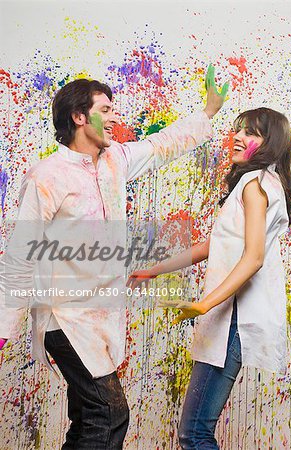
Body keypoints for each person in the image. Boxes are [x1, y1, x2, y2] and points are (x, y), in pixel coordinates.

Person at [0, 67, 227, 449]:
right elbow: (20, 257)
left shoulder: (115, 160)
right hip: (65, 318)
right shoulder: (46, 177)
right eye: (105, 110)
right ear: (78, 117)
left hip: (101, 315)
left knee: (90, 419)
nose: (115, 117)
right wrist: (3, 326)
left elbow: (161, 146)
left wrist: (207, 112)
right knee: (109, 414)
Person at [127, 107, 291, 449]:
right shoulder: (265, 182)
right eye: (238, 130)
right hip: (232, 318)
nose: (238, 137)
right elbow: (214, 245)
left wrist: (204, 304)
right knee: (197, 430)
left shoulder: (254, 184)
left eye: (251, 133)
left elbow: (254, 258)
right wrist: (154, 269)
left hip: (232, 319)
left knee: (194, 432)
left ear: (270, 144)